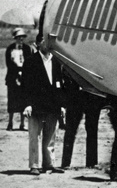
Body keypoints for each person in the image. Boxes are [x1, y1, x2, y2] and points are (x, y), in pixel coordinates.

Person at [21, 36, 64, 174]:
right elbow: (25, 86)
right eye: (45, 41)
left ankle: (49, 164)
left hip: (53, 105)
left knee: (51, 135)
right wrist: (27, 104)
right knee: (35, 135)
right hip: (35, 105)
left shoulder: (56, 61)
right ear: (38, 44)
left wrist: (62, 105)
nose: (48, 44)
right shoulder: (30, 62)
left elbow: (59, 85)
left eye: (50, 41)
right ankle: (34, 165)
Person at [61, 68, 104, 169]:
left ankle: (92, 162)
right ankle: (65, 163)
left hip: (92, 98)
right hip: (74, 99)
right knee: (70, 130)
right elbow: (65, 73)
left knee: (92, 129)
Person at [5, 28, 31, 131]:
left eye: (22, 37)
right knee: (12, 100)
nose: (21, 39)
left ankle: (22, 124)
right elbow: (9, 63)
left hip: (24, 77)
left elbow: (29, 62)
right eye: (18, 37)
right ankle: (10, 123)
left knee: (23, 100)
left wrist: (23, 73)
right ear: (15, 38)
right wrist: (16, 73)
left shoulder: (27, 48)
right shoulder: (10, 48)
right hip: (12, 76)